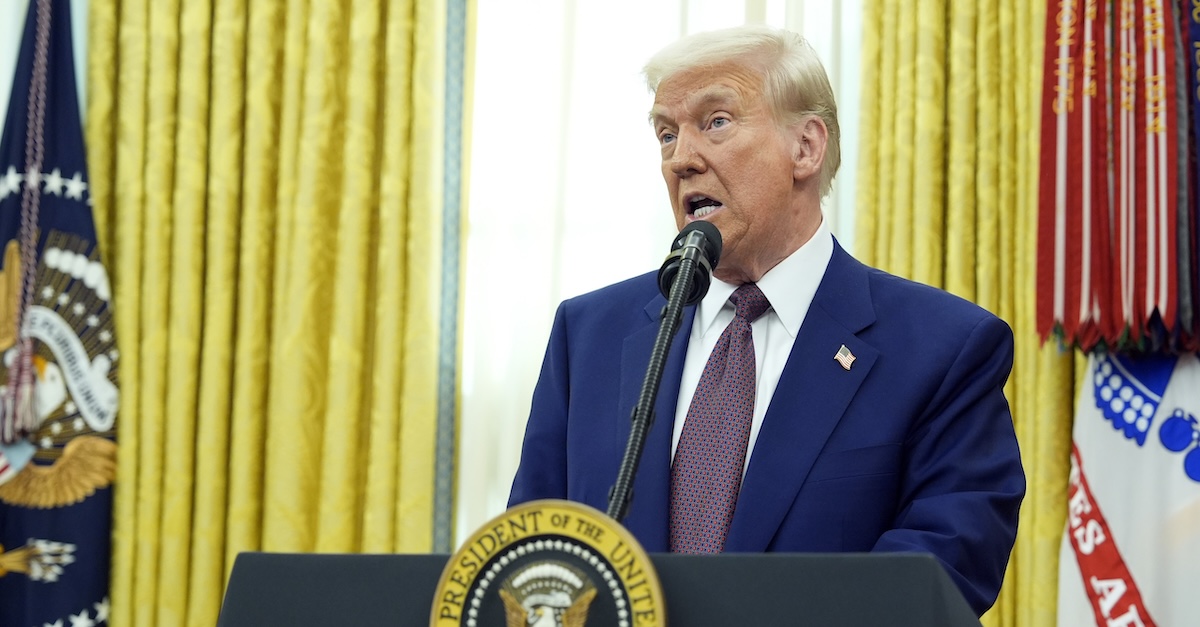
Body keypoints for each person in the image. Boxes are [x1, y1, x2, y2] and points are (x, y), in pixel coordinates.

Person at [507, 25, 1024, 616]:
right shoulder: (589, 335)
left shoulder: (943, 348)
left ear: (806, 147)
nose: (682, 159)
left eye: (717, 122)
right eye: (666, 134)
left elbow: (942, 567)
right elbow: (532, 552)